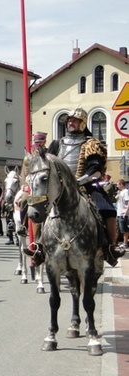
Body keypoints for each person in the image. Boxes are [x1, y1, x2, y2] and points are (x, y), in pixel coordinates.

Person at [44, 107, 125, 263]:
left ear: (82, 123)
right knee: (39, 206)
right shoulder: (56, 144)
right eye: (69, 120)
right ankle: (39, 245)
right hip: (60, 188)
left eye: (75, 120)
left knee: (108, 209)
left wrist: (78, 181)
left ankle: (110, 246)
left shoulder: (91, 143)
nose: (71, 123)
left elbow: (95, 170)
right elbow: (48, 166)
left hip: (85, 186)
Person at [116, 179, 129, 248]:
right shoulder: (121, 192)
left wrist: (126, 212)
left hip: (123, 213)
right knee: (118, 229)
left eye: (118, 184)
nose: (117, 186)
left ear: (121, 184)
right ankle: (115, 242)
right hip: (118, 213)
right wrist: (119, 193)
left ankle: (125, 243)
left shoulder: (126, 191)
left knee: (124, 229)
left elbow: (128, 202)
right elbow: (116, 198)